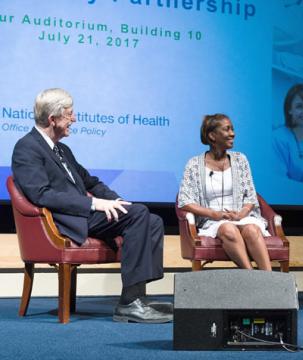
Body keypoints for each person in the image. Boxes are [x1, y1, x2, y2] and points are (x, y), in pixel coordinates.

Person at [11, 88, 172, 323]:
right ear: (52, 119)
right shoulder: (26, 148)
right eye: (69, 114)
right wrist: (94, 204)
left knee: (152, 220)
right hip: (65, 220)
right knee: (140, 214)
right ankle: (129, 304)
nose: (74, 119)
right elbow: (41, 195)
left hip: (84, 214)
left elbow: (91, 182)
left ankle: (137, 296)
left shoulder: (62, 149)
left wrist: (116, 201)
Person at [178, 114, 272, 271]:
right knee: (228, 229)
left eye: (233, 129)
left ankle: (271, 279)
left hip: (243, 216)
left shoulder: (240, 159)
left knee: (251, 230)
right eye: (227, 129)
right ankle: (252, 277)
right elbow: (185, 201)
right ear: (212, 135)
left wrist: (242, 213)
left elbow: (251, 196)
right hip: (213, 221)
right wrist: (214, 214)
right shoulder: (194, 164)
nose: (232, 133)